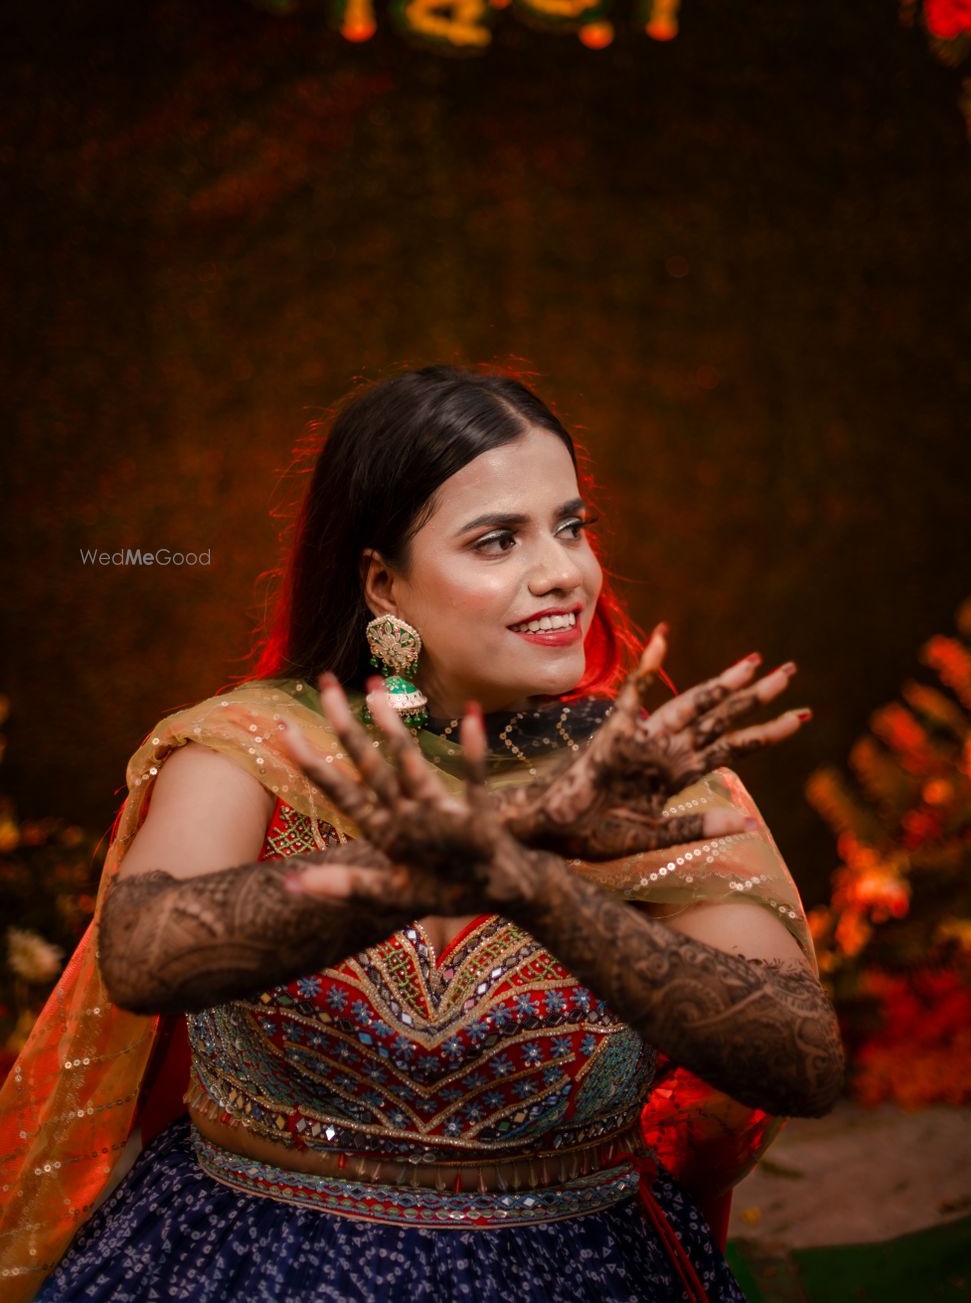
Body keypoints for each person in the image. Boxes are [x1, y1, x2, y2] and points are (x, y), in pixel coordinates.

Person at [0, 365, 844, 1303]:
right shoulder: (261, 746)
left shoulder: (633, 780)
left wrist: (539, 883)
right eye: (496, 540)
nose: (563, 569)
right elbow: (146, 949)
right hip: (247, 1264)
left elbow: (800, 1059)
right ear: (384, 585)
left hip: (576, 1272)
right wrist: (437, 861)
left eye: (570, 526)